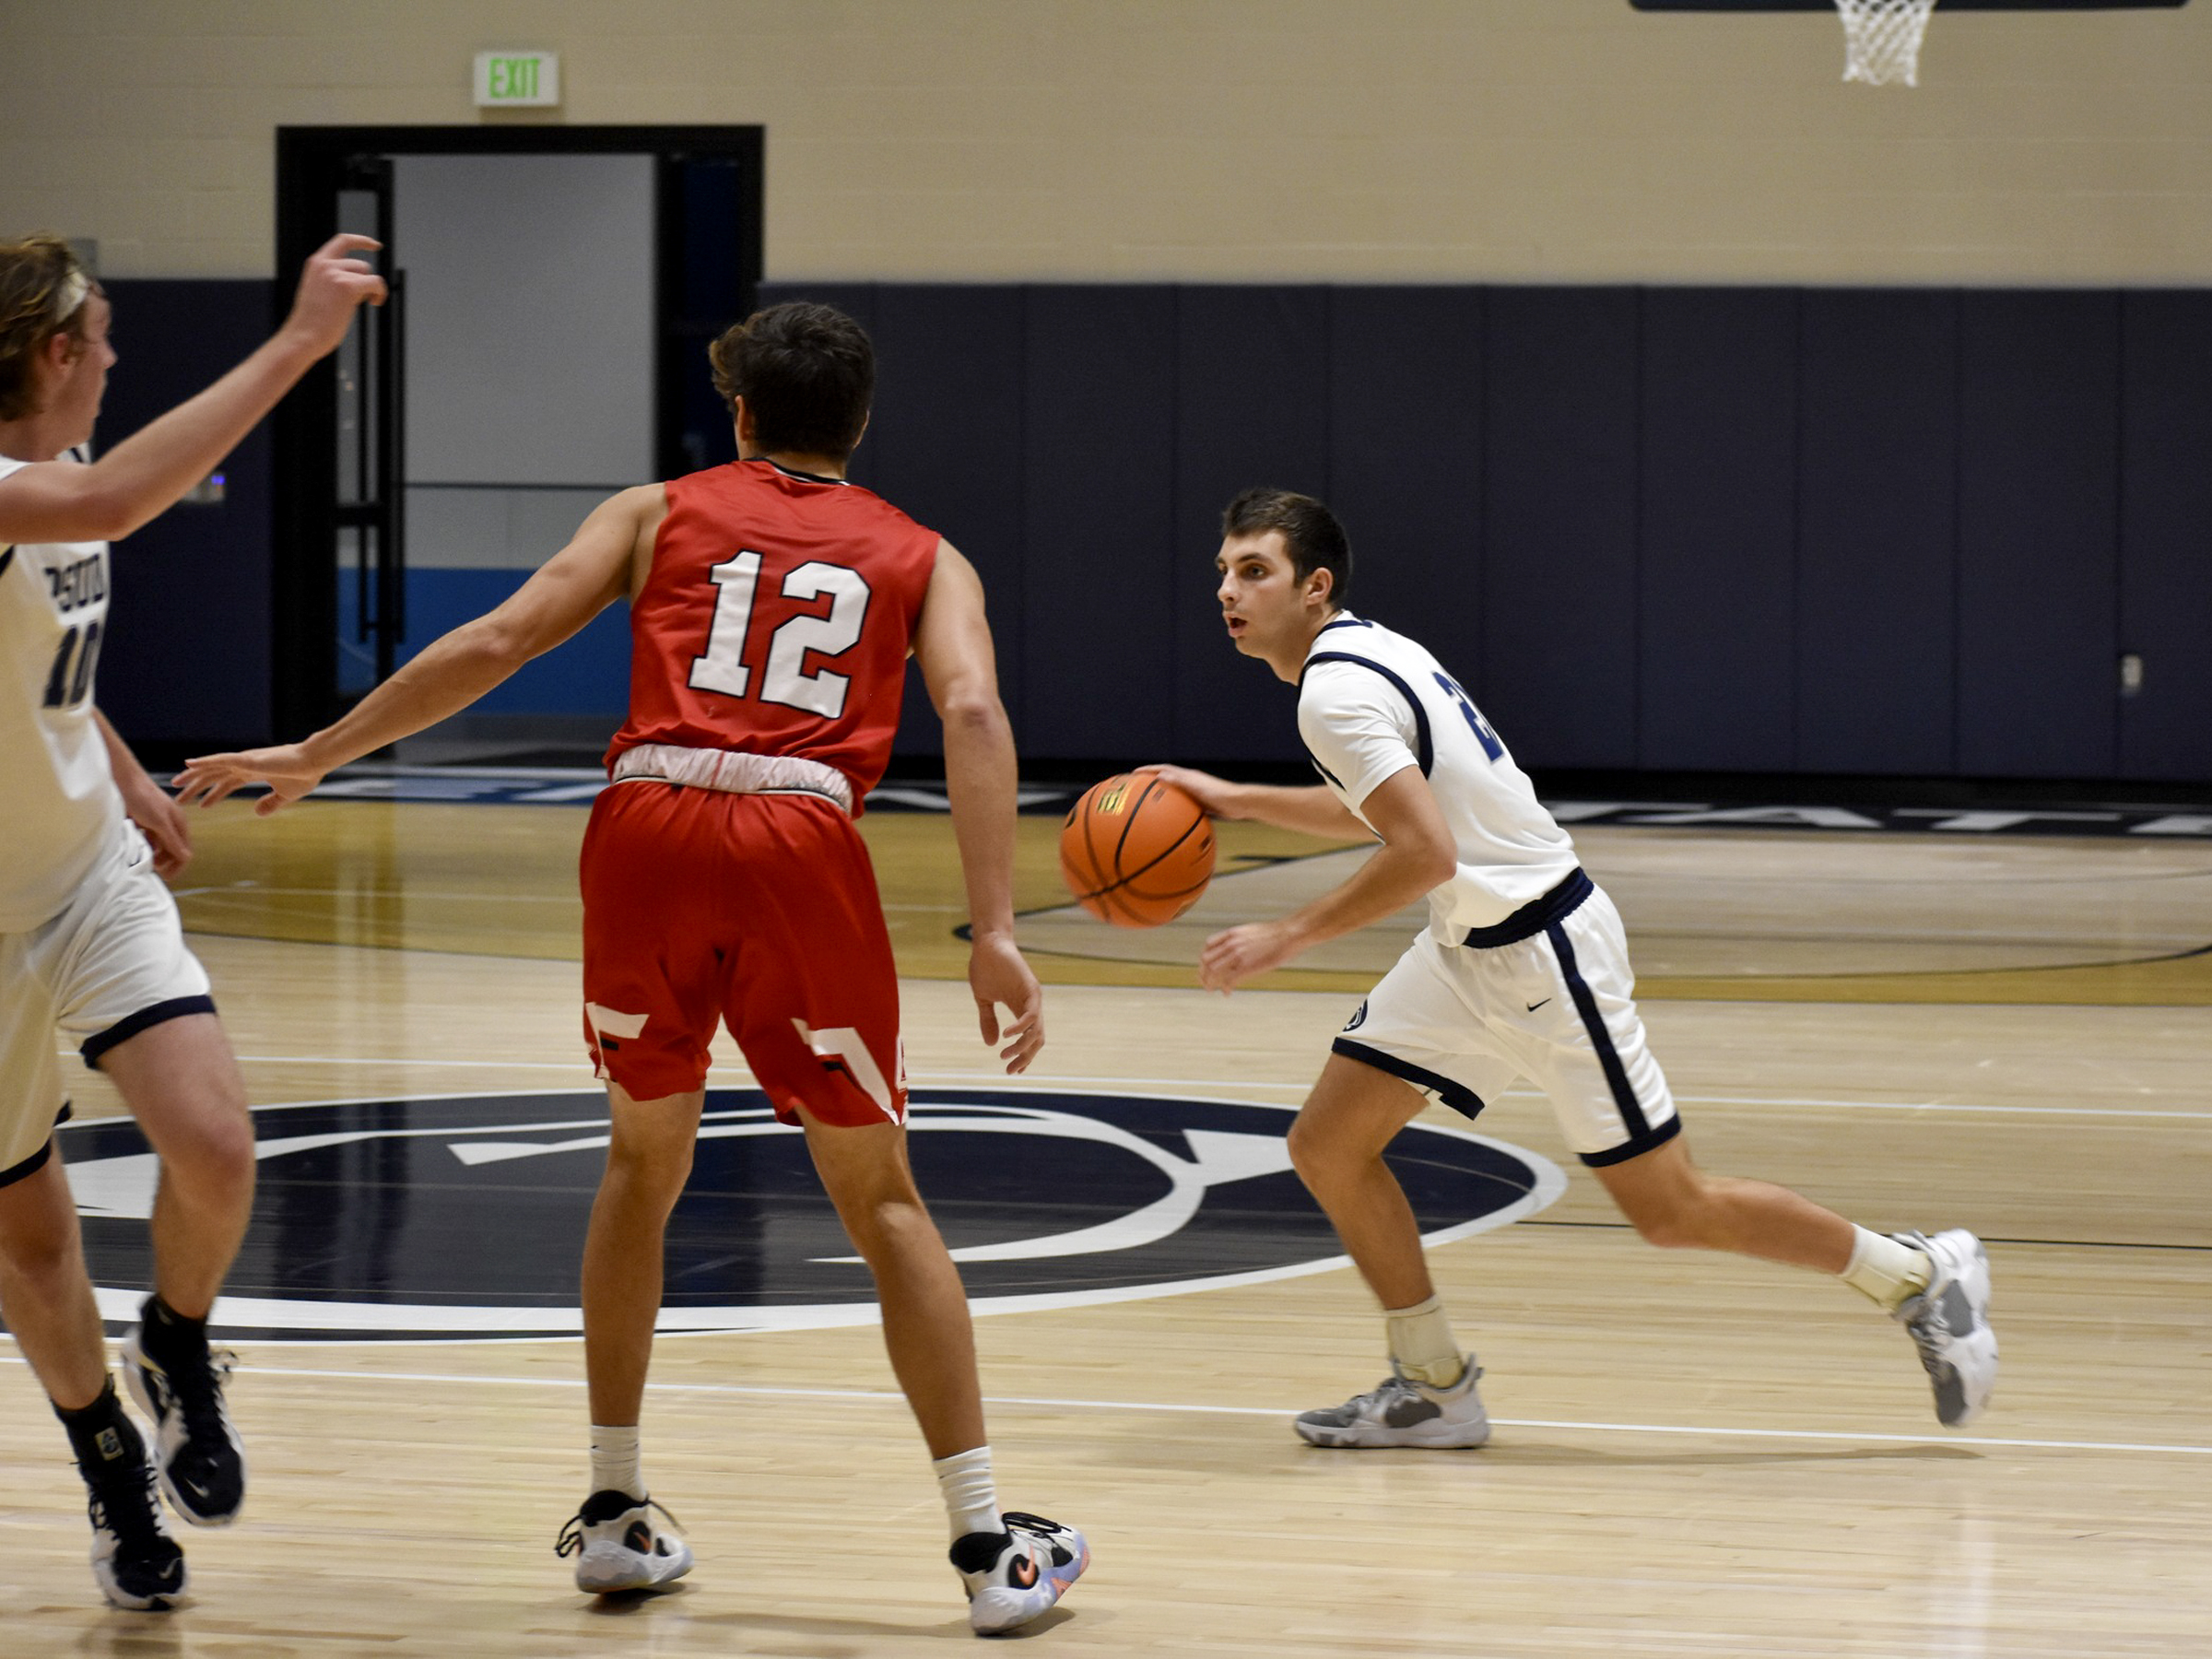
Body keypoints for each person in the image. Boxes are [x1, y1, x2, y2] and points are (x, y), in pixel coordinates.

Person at [173, 301, 1088, 1633]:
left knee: (640, 1159)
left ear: (740, 417)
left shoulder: (656, 511)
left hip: (647, 825)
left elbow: (498, 640)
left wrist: (320, 748)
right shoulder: (925, 555)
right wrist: (997, 929)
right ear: (863, 422)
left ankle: (614, 1511)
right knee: (880, 1196)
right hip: (799, 834)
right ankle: (985, 1546)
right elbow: (971, 711)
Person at [1147, 487, 1997, 1450]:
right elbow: (1388, 811)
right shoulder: (1367, 651)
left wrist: (1288, 935)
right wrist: (1238, 800)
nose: (1228, 589)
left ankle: (1919, 1278)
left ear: (1315, 586)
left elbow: (1421, 851)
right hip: (1470, 950)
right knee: (1329, 1145)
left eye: (1253, 570)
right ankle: (1434, 1387)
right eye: (1223, 570)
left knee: (1673, 1211)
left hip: (1546, 956)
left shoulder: (1334, 693)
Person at [0, 230, 385, 1609]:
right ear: (56, 352)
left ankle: (175, 1339)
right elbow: (104, 502)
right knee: (29, 1239)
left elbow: (33, 650)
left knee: (216, 1145)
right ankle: (106, 1458)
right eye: (102, 344)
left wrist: (103, 759)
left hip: (83, 875)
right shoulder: (35, 492)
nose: (112, 364)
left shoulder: (42, 504)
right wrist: (298, 343)